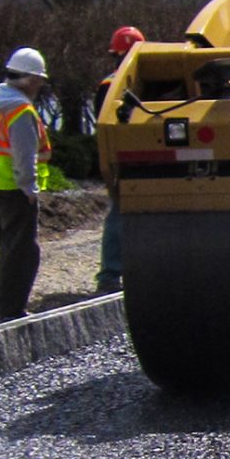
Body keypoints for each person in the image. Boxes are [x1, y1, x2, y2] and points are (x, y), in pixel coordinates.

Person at [0, 48, 52, 322]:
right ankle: (10, 311)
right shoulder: (19, 110)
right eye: (39, 79)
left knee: (7, 248)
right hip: (13, 187)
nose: (41, 85)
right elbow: (24, 154)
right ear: (30, 79)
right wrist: (29, 187)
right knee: (22, 252)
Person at [94, 26, 144, 294]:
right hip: (140, 155)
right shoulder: (146, 81)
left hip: (121, 155)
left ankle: (111, 274)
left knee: (119, 211)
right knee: (121, 212)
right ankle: (111, 274)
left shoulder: (107, 86)